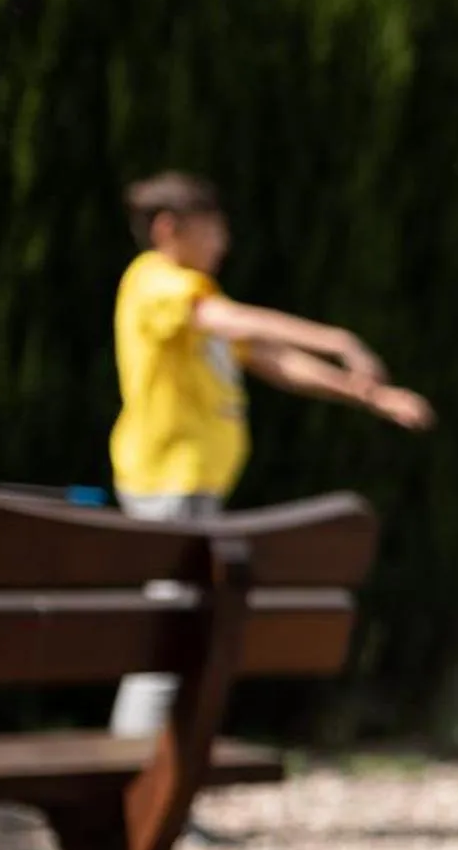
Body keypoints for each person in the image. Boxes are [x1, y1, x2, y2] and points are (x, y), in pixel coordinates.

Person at [106, 171, 433, 737]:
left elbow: (273, 359)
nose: (222, 243)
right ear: (168, 229)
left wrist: (369, 395)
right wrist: (337, 338)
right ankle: (132, 785)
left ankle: (154, 784)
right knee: (172, 636)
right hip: (166, 483)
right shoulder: (156, 283)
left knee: (186, 634)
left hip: (191, 484)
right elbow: (231, 322)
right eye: (211, 230)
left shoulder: (193, 296)